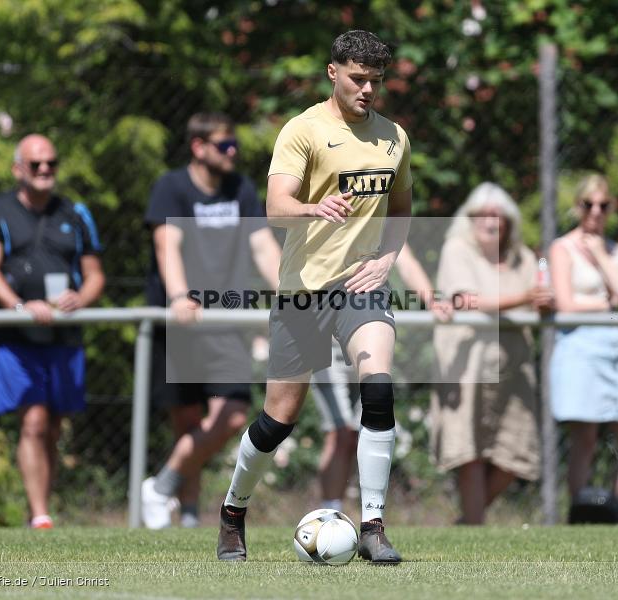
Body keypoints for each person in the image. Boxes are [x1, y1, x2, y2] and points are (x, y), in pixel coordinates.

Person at [217, 30, 412, 563]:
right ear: (333, 73)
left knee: (377, 387)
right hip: (303, 292)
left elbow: (402, 211)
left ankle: (373, 525)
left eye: (375, 80)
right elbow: (275, 206)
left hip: (361, 288)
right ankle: (233, 511)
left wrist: (387, 260)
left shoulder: (394, 137)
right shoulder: (303, 131)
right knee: (279, 419)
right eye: (357, 79)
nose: (368, 89)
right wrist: (312, 208)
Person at [140, 112, 281, 529]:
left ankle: (161, 487)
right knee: (187, 423)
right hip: (184, 320)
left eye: (233, 143)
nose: (232, 151)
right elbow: (168, 245)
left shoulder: (241, 189)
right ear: (198, 148)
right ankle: (186, 517)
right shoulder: (172, 187)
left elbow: (263, 246)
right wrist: (181, 296)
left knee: (234, 415)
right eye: (224, 145)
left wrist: (292, 295)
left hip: (226, 319)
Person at [0, 134, 105, 529]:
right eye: (36, 164)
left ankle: (44, 507)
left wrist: (79, 299)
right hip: (18, 335)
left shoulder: (76, 212)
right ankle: (40, 515)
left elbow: (95, 275)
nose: (45, 170)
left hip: (64, 336)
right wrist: (19, 306)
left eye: (51, 163)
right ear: (19, 169)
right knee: (32, 419)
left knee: (52, 426)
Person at [430, 182, 550, 524]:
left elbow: (537, 305)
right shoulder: (456, 249)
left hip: (514, 368)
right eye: (481, 214)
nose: (489, 221)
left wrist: (543, 302)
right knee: (470, 451)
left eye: (497, 215)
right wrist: (526, 296)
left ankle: (469, 521)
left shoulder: (525, 258)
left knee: (516, 453)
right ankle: (473, 525)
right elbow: (466, 301)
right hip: (467, 364)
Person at [310, 243, 450, 513]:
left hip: (366, 334)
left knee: (368, 425)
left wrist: (432, 299)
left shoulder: (378, 212)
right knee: (339, 433)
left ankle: (371, 517)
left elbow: (405, 260)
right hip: (328, 341)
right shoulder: (325, 211)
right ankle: (330, 513)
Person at [548, 173, 618, 521]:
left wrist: (602, 259)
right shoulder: (562, 248)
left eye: (603, 205)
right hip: (579, 346)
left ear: (612, 209)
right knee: (585, 439)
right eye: (588, 204)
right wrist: (607, 302)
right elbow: (565, 304)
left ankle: (617, 513)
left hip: (614, 348)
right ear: (578, 207)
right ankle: (581, 515)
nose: (595, 212)